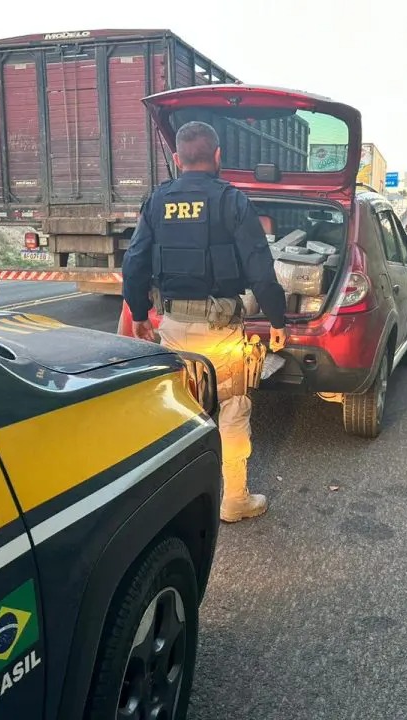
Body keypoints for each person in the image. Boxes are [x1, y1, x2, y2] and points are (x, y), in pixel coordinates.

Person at [122, 120, 287, 523]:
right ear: (217, 157)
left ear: (177, 159)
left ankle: (173, 504)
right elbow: (261, 269)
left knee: (177, 408)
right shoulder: (232, 200)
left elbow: (134, 263)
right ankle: (234, 501)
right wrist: (278, 320)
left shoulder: (157, 201)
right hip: (221, 330)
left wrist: (141, 317)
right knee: (232, 407)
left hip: (173, 326)